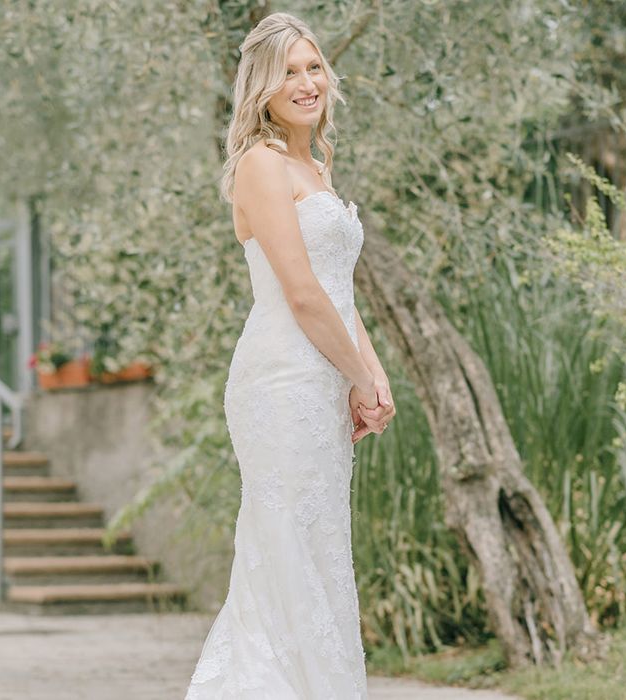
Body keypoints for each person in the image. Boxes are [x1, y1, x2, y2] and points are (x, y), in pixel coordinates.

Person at [184, 11, 396, 699]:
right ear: (262, 89)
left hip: (324, 375)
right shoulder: (261, 164)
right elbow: (302, 294)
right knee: (284, 547)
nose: (306, 83)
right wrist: (357, 375)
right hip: (281, 379)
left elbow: (341, 292)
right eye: (288, 73)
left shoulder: (318, 164)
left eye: (314, 68)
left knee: (321, 546)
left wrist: (375, 377)